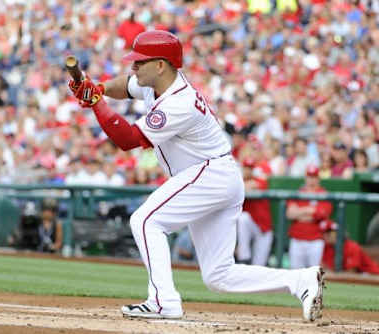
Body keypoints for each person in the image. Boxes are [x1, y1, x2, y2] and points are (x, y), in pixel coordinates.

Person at [68, 30, 324, 322]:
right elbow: (124, 87)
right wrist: (97, 88)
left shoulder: (180, 102)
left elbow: (127, 139)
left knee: (145, 220)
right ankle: (301, 281)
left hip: (208, 173)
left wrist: (95, 103)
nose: (134, 67)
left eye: (140, 62)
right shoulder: (158, 84)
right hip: (216, 176)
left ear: (161, 65)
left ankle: (163, 302)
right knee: (219, 275)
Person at [286, 165, 333, 269]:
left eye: (314, 177)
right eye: (309, 177)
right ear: (306, 178)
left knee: (315, 275)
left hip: (315, 240)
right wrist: (309, 210)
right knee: (296, 275)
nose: (311, 180)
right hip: (297, 239)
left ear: (318, 179)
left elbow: (321, 214)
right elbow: (290, 214)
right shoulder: (298, 193)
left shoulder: (323, 194)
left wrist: (299, 213)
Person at [236, 158, 273, 266]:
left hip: (264, 229)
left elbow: (254, 185)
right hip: (251, 226)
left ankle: (244, 256)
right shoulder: (239, 181)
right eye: (246, 168)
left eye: (250, 168)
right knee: (243, 218)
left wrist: (242, 186)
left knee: (258, 266)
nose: (248, 171)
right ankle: (244, 256)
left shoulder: (260, 180)